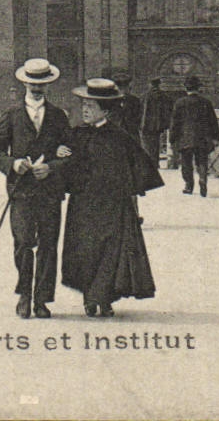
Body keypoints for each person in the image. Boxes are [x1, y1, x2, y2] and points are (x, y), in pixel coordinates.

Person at [62, 79, 164, 316]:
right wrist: (60, 152)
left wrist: (128, 193)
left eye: (91, 106)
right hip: (83, 204)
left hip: (112, 205)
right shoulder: (76, 134)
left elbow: (139, 168)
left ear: (105, 110)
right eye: (84, 105)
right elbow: (65, 164)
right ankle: (90, 297)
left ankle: (105, 297)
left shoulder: (120, 137)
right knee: (86, 249)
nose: (85, 110)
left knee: (110, 251)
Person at [0, 57, 73, 319]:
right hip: (21, 191)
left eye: (42, 84)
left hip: (50, 192)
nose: (37, 88)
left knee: (48, 244)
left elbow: (71, 154)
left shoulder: (59, 116)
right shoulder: (11, 116)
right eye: (32, 83)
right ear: (24, 83)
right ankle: (24, 294)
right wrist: (13, 164)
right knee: (23, 243)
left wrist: (53, 167)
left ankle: (41, 300)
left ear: (48, 85)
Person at [169, 75, 219, 197]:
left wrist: (172, 138)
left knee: (186, 162)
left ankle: (188, 186)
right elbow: (213, 121)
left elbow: (175, 123)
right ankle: (203, 179)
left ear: (186, 88)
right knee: (202, 161)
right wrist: (215, 138)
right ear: (198, 88)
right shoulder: (206, 102)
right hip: (202, 138)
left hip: (185, 138)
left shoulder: (180, 103)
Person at [139, 76, 175, 165]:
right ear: (159, 84)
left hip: (145, 125)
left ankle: (149, 163)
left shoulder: (144, 96)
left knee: (146, 146)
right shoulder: (164, 96)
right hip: (158, 126)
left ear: (150, 84)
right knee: (156, 144)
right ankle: (155, 162)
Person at [107, 73, 143, 139]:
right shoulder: (110, 101)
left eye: (125, 88)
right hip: (114, 134)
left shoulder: (135, 100)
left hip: (131, 134)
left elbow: (138, 117)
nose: (123, 91)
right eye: (120, 88)